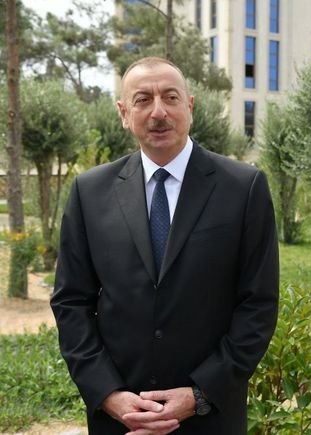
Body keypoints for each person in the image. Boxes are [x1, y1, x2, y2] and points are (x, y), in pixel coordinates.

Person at [50, 56, 279, 435]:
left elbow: (259, 303)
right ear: (124, 113)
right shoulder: (90, 192)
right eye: (142, 100)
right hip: (119, 419)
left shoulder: (243, 188)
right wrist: (107, 393)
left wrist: (200, 394)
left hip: (210, 417)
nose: (158, 112)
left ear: (190, 106)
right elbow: (71, 301)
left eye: (170, 97)